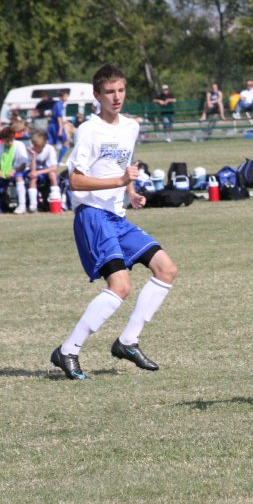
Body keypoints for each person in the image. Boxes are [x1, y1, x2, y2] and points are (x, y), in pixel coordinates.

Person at [51, 64, 179, 380]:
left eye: (120, 90)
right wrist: (119, 181)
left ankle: (128, 342)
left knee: (166, 269)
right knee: (120, 286)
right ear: (97, 95)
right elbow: (75, 181)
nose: (116, 97)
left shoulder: (130, 127)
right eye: (109, 92)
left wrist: (130, 192)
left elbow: (123, 165)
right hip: (93, 215)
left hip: (117, 216)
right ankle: (68, 350)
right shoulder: (88, 130)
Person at [0, 124, 29, 214]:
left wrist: (14, 171)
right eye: (6, 141)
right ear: (3, 139)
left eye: (11, 140)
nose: (9, 143)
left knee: (19, 178)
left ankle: (22, 205)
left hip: (18, 170)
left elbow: (24, 164)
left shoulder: (19, 145)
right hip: (3, 171)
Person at [27, 129, 60, 212]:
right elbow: (32, 170)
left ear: (42, 145)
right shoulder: (31, 150)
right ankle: (33, 205)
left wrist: (38, 172)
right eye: (33, 144)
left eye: (36, 145)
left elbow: (54, 168)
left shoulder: (50, 149)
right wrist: (33, 156)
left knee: (52, 175)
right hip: (35, 172)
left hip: (45, 172)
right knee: (33, 177)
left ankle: (56, 199)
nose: (34, 147)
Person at [48, 89, 70, 162]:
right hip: (56, 127)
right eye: (66, 96)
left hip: (53, 125)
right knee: (66, 144)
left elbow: (56, 116)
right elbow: (59, 117)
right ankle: (58, 162)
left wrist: (65, 122)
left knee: (51, 145)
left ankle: (51, 161)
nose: (67, 98)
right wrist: (60, 129)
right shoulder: (59, 104)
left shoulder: (57, 104)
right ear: (61, 96)